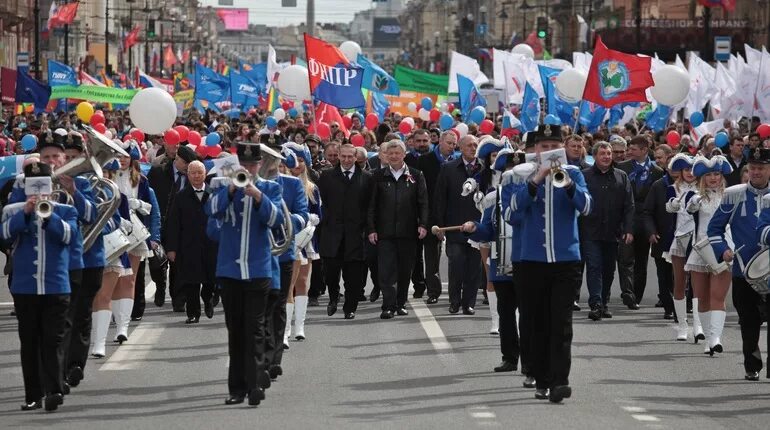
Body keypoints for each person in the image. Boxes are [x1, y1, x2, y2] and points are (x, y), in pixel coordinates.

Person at [501, 123, 592, 403]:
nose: (550, 151)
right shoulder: (516, 176)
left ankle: (559, 380)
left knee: (561, 323)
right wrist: (535, 181)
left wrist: (569, 186)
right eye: (544, 147)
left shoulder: (574, 173)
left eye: (554, 146)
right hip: (530, 261)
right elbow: (510, 215)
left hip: (566, 260)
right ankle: (541, 378)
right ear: (534, 150)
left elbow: (587, 207)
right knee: (536, 322)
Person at [206, 140, 285, 406]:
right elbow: (211, 212)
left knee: (255, 329)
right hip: (229, 270)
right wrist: (231, 189)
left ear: (259, 164)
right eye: (244, 164)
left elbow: (276, 221)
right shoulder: (222, 187)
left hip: (258, 270)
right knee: (235, 330)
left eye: (252, 164)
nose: (248, 168)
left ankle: (254, 386)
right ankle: (236, 388)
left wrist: (258, 196)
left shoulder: (270, 188)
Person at [2, 161, 79, 412]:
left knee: (53, 340)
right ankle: (33, 394)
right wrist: (25, 213)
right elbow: (4, 235)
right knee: (29, 341)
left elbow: (69, 236)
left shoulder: (64, 210)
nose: (38, 191)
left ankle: (54, 390)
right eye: (34, 185)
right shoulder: (13, 210)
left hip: (56, 285)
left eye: (42, 186)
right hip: (25, 287)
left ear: (50, 186)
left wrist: (48, 216)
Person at [462, 147, 526, 374]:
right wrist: (474, 228)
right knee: (507, 314)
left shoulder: (538, 195)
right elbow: (488, 230)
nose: (513, 174)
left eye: (517, 169)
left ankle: (530, 360)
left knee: (529, 316)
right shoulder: (494, 198)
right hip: (503, 263)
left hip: (529, 263)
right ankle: (509, 357)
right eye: (509, 170)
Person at [712, 147, 770, 381]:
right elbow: (714, 229)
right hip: (744, 270)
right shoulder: (733, 194)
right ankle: (752, 364)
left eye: (761, 168)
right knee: (749, 321)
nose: (755, 172)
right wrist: (723, 250)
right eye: (752, 168)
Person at [260, 134, 309, 380]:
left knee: (277, 306)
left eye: (274, 155)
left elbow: (303, 215)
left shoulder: (291, 184)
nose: (270, 160)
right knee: (259, 309)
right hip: (255, 256)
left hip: (282, 254)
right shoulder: (249, 183)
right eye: (265, 155)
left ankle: (274, 360)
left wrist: (287, 221)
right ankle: (260, 357)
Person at [367, 140, 429, 319]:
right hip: (384, 233)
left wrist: (423, 224)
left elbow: (423, 203)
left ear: (404, 154)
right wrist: (371, 228)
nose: (393, 156)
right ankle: (388, 306)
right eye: (390, 153)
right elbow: (371, 205)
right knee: (386, 271)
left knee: (404, 270)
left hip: (408, 232)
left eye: (397, 153)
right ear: (386, 155)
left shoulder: (416, 175)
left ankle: (400, 303)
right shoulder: (377, 175)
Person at [580, 142, 634, 321]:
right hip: (590, 231)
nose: (606, 156)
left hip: (613, 232)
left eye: (609, 153)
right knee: (594, 266)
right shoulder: (585, 176)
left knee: (609, 269)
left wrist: (628, 229)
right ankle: (595, 303)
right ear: (594, 156)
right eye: (602, 153)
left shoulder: (621, 176)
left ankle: (603, 302)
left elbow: (629, 206)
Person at [317, 144, 372, 319]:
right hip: (332, 233)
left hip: (356, 234)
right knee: (331, 273)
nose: (347, 160)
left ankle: (350, 307)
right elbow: (322, 203)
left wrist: (368, 229)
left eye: (350, 157)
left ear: (356, 157)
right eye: (344, 156)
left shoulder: (366, 178)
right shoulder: (326, 177)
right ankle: (333, 297)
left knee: (353, 276)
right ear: (338, 156)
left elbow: (370, 207)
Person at [434, 135, 483, 314]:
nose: (473, 148)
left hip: (478, 228)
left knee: (473, 267)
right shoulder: (448, 168)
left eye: (475, 145)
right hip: (455, 228)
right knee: (456, 263)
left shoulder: (484, 169)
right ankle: (454, 301)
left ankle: (468, 303)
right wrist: (440, 225)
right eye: (469, 145)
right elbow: (440, 199)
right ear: (460, 148)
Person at [165, 160, 217, 324]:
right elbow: (173, 223)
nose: (196, 175)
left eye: (199, 172)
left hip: (211, 245)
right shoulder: (181, 196)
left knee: (211, 279)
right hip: (188, 245)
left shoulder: (214, 194)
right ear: (188, 175)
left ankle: (207, 298)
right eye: (193, 172)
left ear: (205, 174)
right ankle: (193, 313)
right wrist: (171, 248)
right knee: (191, 281)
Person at [616, 136, 664, 308]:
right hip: (627, 218)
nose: (630, 151)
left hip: (646, 220)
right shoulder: (622, 167)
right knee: (625, 258)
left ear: (644, 150)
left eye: (634, 149)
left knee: (642, 260)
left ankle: (636, 295)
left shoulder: (657, 171)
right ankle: (627, 292)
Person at [282, 142, 321, 345]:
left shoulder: (311, 188)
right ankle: (286, 328)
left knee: (303, 283)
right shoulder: (282, 183)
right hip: (286, 239)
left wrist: (312, 220)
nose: (297, 164)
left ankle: (300, 325)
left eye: (301, 160)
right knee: (288, 285)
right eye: (294, 160)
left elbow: (320, 214)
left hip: (306, 239)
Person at [417, 130, 457, 304]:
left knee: (455, 255)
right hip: (431, 216)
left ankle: (457, 292)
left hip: (453, 216)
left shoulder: (457, 162)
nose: (452, 147)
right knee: (432, 256)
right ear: (440, 141)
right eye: (449, 143)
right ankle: (433, 291)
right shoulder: (425, 160)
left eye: (454, 144)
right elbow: (422, 192)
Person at [661, 154, 698, 340]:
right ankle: (682, 325)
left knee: (698, 284)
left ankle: (699, 325)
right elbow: (669, 208)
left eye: (693, 169)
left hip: (699, 239)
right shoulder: (672, 188)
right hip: (679, 238)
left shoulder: (703, 188)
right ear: (681, 171)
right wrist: (674, 204)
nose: (690, 173)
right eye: (686, 169)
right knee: (680, 282)